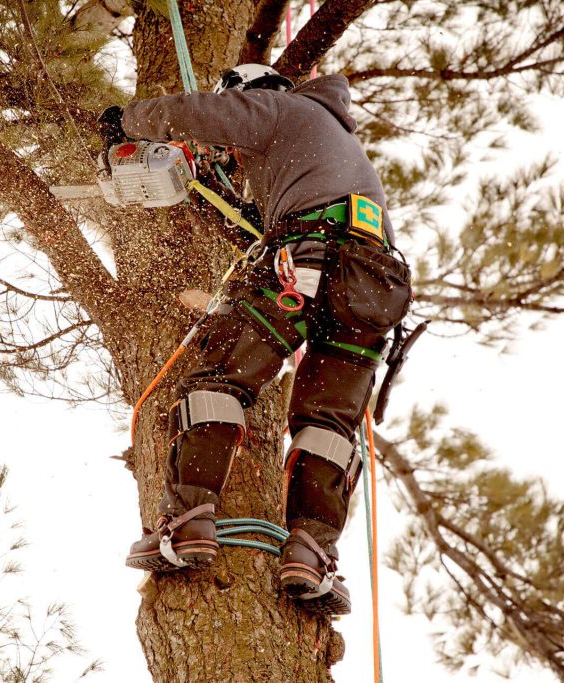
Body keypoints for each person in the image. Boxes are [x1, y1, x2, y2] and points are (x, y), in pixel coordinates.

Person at [100, 64, 412, 615]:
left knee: (220, 379)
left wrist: (128, 121)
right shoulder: (328, 142)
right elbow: (263, 222)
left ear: (249, 94)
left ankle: (189, 523)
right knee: (328, 424)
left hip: (308, 258)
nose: (238, 158)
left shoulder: (278, 108)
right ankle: (311, 557)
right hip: (374, 284)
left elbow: (198, 114)